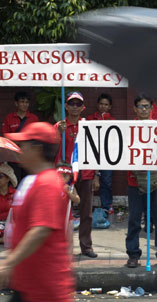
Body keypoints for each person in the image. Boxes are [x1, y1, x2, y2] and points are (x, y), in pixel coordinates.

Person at [0, 122, 79, 302]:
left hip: (48, 285)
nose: (19, 150)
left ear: (37, 149)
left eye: (24, 145)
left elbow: (40, 230)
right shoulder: (35, 181)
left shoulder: (47, 183)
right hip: (29, 284)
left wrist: (8, 264)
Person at [125, 93, 157, 269]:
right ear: (134, 109)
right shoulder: (127, 128)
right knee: (134, 219)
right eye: (140, 106)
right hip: (134, 179)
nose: (144, 109)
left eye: (147, 106)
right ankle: (133, 254)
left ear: (151, 109)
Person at [55, 91, 99, 258]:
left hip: (85, 172)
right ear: (66, 106)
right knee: (61, 211)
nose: (74, 107)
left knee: (86, 212)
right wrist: (58, 133)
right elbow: (50, 148)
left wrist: (96, 174)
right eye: (71, 103)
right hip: (64, 174)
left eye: (78, 104)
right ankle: (61, 247)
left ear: (83, 107)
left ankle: (86, 247)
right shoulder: (59, 126)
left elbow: (96, 151)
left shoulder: (88, 126)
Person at [87, 93, 115, 215]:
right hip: (91, 154)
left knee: (107, 181)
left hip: (107, 155)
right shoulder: (89, 118)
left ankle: (107, 205)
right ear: (98, 105)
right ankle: (86, 206)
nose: (103, 106)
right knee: (88, 181)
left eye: (106, 105)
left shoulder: (113, 121)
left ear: (110, 107)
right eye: (101, 104)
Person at [1, 91, 39, 182]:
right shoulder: (9, 118)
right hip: (13, 158)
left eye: (27, 102)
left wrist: (17, 139)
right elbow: (5, 138)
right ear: (16, 103)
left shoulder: (34, 118)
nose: (25, 104)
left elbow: (36, 138)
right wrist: (24, 139)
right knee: (14, 185)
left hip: (29, 159)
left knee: (28, 185)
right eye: (22, 102)